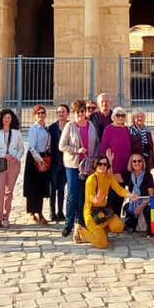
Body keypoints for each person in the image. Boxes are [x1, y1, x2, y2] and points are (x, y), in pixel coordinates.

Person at [77, 156, 137, 248]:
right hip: (91, 213)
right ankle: (81, 232)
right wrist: (95, 199)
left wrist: (129, 195)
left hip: (103, 212)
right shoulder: (91, 179)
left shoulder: (109, 178)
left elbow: (119, 189)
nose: (102, 166)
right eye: (100, 164)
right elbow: (89, 196)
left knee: (119, 226)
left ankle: (102, 232)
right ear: (95, 165)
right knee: (102, 244)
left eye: (105, 164)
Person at [58, 99, 93, 237]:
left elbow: (95, 143)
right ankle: (68, 223)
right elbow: (62, 146)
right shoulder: (70, 126)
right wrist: (76, 150)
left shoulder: (90, 126)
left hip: (87, 165)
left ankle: (82, 221)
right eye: (77, 112)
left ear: (85, 112)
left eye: (82, 111)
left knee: (84, 194)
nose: (80, 114)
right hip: (73, 164)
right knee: (73, 194)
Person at [0, 107, 25, 229]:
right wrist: (4, 155)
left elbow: (21, 148)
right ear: (1, 119)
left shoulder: (16, 132)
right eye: (5, 117)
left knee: (9, 192)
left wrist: (16, 157)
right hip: (0, 163)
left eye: (9, 117)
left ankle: (6, 217)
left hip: (13, 164)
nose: (7, 120)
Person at [23, 104, 53, 224]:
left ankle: (39, 212)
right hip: (34, 158)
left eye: (42, 113)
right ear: (34, 116)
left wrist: (45, 161)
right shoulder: (33, 129)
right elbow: (31, 147)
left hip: (44, 158)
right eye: (38, 113)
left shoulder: (47, 128)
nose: (41, 115)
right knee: (32, 187)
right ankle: (32, 212)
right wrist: (39, 162)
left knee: (41, 187)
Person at [121, 153, 154, 234]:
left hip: (145, 202)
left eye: (139, 161)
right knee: (127, 207)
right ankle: (132, 224)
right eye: (134, 161)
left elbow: (151, 196)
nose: (137, 163)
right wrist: (110, 162)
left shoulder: (147, 175)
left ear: (142, 163)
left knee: (147, 210)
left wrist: (140, 206)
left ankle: (150, 230)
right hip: (133, 202)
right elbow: (113, 177)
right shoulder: (128, 175)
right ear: (131, 163)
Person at [47, 104, 69, 222]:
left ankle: (60, 212)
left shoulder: (71, 126)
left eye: (63, 111)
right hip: (54, 162)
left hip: (66, 162)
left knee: (61, 188)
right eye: (59, 112)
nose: (61, 114)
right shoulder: (52, 128)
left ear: (67, 113)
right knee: (53, 188)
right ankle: (52, 211)